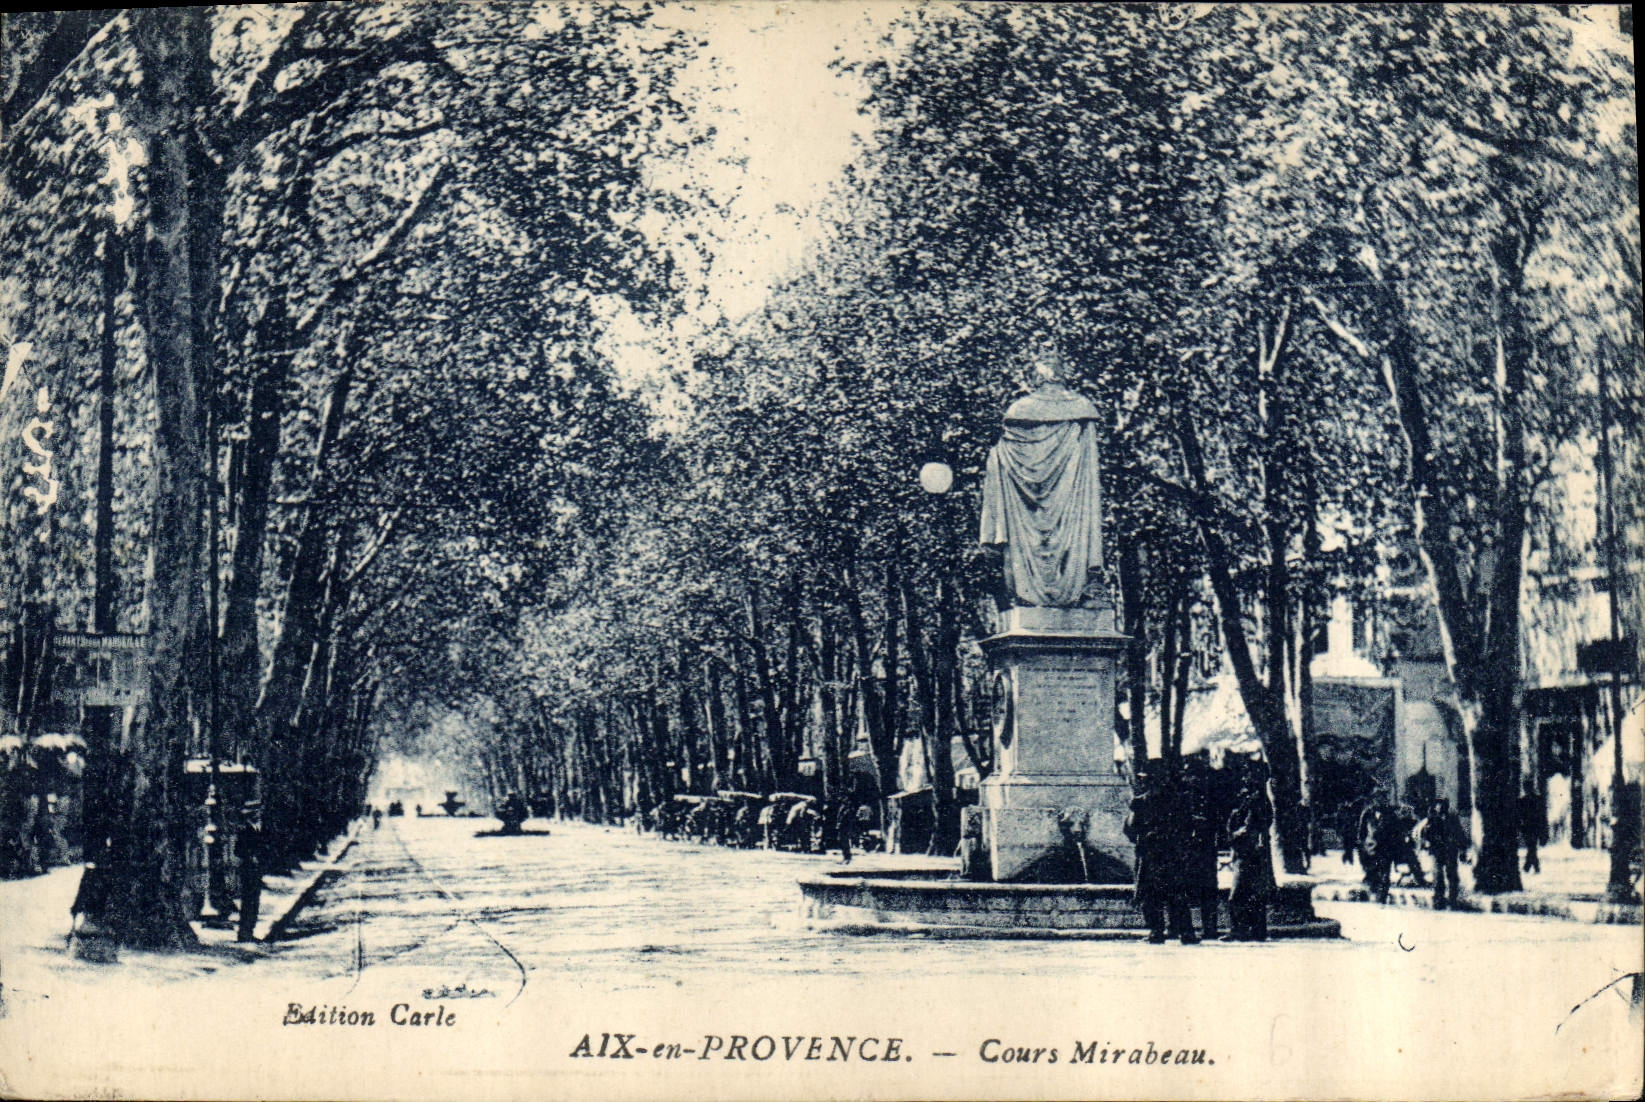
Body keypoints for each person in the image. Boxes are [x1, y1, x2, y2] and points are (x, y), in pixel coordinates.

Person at [1125, 770, 1196, 945]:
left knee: (1154, 895)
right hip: (1168, 855)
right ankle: (1184, 933)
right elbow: (1189, 828)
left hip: (1154, 855)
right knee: (1173, 894)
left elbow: (1130, 828)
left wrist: (1144, 837)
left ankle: (1159, 932)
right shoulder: (1177, 800)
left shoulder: (1141, 802)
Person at [1225, 759, 1275, 941]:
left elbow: (1251, 826)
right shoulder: (1249, 797)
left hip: (1250, 852)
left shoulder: (1259, 800)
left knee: (1238, 895)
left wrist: (1236, 834)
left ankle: (1241, 930)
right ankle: (1254, 931)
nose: (1247, 777)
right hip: (1244, 851)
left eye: (1251, 774)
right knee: (1251, 894)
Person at [1182, 757, 1222, 941]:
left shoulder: (1209, 797)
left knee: (1207, 890)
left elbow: (1218, 821)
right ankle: (1187, 929)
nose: (1192, 780)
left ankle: (1208, 929)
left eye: (1195, 775)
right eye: (1190, 775)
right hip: (1190, 848)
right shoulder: (1183, 798)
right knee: (1190, 890)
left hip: (1204, 848)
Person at [1417, 796, 1468, 910]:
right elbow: (1424, 833)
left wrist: (1463, 849)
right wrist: (1426, 843)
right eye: (1437, 804)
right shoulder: (1431, 819)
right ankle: (1438, 900)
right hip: (1437, 850)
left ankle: (1453, 899)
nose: (1440, 806)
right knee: (1438, 875)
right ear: (1435, 806)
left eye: (1442, 804)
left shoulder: (1452, 819)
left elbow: (1459, 833)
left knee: (1452, 875)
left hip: (1450, 850)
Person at [236, 802, 264, 943]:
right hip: (248, 871)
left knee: (254, 902)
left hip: (256, 871)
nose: (258, 814)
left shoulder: (256, 828)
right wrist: (250, 856)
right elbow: (238, 850)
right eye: (256, 812)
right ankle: (244, 934)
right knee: (248, 902)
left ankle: (249, 932)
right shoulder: (245, 830)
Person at [1518, 786, 1544, 874]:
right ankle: (1531, 866)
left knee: (1531, 847)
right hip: (1533, 827)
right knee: (1532, 847)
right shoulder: (1537, 799)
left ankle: (1529, 867)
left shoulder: (1522, 801)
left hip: (1528, 827)